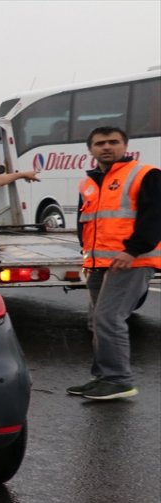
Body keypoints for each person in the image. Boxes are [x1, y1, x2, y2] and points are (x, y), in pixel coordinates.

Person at [65, 126, 160, 401]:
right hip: (99, 260)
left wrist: (132, 251)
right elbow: (85, 222)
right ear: (90, 149)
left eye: (113, 142)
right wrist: (87, 254)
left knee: (109, 318)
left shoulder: (146, 174)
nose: (107, 147)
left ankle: (119, 380)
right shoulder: (89, 182)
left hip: (131, 259)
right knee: (97, 320)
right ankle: (103, 378)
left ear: (125, 145)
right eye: (100, 143)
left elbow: (154, 218)